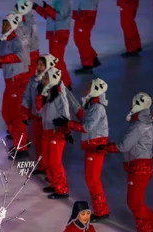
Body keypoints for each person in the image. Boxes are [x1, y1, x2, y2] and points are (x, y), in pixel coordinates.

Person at [97, 93, 153, 232]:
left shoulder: (139, 125)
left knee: (135, 202)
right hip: (140, 165)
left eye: (132, 102)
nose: (130, 105)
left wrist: (105, 147)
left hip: (140, 167)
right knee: (136, 201)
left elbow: (124, 146)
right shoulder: (143, 120)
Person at [53, 78, 110, 221]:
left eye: (89, 86)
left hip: (95, 149)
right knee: (91, 180)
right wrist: (64, 90)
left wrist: (68, 123)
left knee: (93, 180)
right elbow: (78, 110)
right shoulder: (93, 106)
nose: (85, 88)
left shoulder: (97, 108)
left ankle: (101, 211)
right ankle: (100, 209)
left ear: (95, 90)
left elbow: (86, 127)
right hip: (92, 148)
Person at [0, 13, 31, 158]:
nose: (4, 28)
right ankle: (19, 137)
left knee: (16, 116)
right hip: (10, 84)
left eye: (7, 25)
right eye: (3, 25)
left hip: (19, 83)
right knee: (6, 113)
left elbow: (18, 57)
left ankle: (21, 147)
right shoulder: (5, 41)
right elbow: (2, 58)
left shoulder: (18, 41)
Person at [36, 67, 72, 199]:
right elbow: (40, 112)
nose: (44, 80)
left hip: (56, 133)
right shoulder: (48, 94)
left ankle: (62, 189)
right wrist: (40, 97)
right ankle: (54, 183)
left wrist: (64, 130)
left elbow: (66, 115)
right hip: (47, 131)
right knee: (47, 160)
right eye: (44, 78)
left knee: (55, 162)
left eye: (46, 78)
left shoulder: (60, 96)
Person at [22, 53, 58, 175]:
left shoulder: (54, 82)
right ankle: (42, 166)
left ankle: (50, 171)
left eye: (42, 64)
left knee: (47, 147)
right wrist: (25, 112)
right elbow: (27, 96)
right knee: (38, 143)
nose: (39, 66)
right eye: (38, 64)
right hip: (37, 118)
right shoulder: (33, 80)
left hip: (48, 120)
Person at [33, 0, 73, 89]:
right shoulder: (57, 1)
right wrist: (37, 8)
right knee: (56, 60)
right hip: (54, 34)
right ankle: (63, 82)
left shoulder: (64, 2)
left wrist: (47, 8)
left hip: (59, 34)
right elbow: (49, 16)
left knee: (57, 61)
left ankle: (65, 83)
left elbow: (59, 17)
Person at [14, 0, 41, 79]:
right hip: (30, 51)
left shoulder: (27, 20)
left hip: (31, 52)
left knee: (29, 75)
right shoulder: (27, 18)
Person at [72, 0, 101, 74]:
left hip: (85, 11)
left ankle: (87, 64)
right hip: (85, 10)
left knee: (80, 39)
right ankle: (93, 59)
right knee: (82, 38)